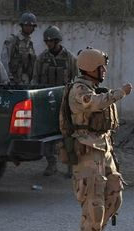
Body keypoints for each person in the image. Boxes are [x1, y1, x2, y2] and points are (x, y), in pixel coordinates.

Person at [65, 47, 132, 231]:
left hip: (104, 149)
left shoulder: (92, 87)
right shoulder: (79, 90)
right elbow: (94, 103)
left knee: (115, 195)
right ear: (90, 68)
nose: (104, 71)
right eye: (101, 68)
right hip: (88, 152)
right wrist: (120, 93)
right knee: (94, 207)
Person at [32, 25, 78, 176]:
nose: (48, 44)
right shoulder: (42, 58)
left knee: (68, 135)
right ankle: (51, 163)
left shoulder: (70, 58)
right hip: (47, 103)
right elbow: (35, 80)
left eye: (51, 41)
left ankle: (70, 166)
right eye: (46, 41)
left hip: (64, 103)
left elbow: (76, 80)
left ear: (57, 41)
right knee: (47, 135)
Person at [0, 12, 37, 84]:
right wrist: (6, 79)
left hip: (26, 82)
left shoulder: (30, 44)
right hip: (13, 82)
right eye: (26, 25)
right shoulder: (12, 40)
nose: (29, 27)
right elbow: (4, 60)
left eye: (31, 25)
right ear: (22, 26)